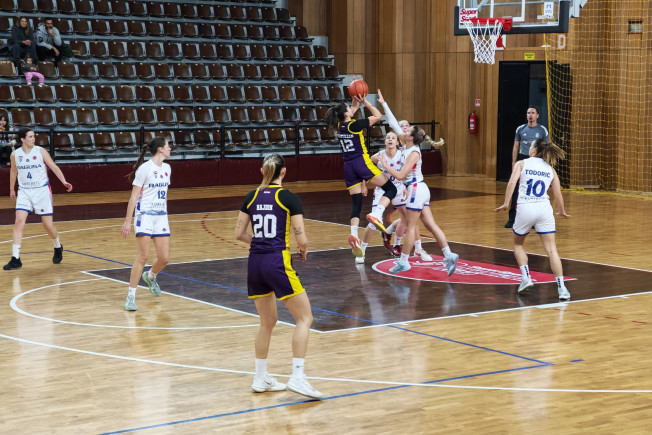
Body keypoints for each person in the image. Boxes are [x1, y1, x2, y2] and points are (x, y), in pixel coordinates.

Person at [235, 154, 323, 399]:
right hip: (277, 261)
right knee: (305, 318)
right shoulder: (289, 198)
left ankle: (260, 377)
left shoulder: (250, 196)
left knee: (267, 322)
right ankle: (298, 377)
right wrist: (303, 249)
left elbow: (239, 233)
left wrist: (260, 243)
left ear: (262, 170)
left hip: (255, 262)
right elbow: (301, 238)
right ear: (283, 172)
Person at [495, 138, 571, 300]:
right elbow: (558, 193)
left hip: (526, 207)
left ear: (534, 150)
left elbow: (512, 183)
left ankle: (526, 278)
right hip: (544, 209)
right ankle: (562, 288)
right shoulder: (550, 169)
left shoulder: (521, 163)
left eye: (530, 146)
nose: (529, 148)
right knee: (552, 250)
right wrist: (561, 211)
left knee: (518, 245)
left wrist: (506, 203)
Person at [325, 93, 398, 259]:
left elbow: (353, 108)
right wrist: (366, 102)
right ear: (346, 113)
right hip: (361, 162)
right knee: (390, 189)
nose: (351, 108)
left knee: (356, 203)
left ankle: (354, 236)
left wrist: (355, 100)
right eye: (348, 108)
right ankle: (377, 213)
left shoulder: (339, 125)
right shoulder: (355, 125)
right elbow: (378, 115)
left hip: (348, 166)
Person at [379, 125, 459, 275]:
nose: (404, 131)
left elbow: (401, 175)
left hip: (416, 189)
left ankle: (403, 262)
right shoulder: (406, 147)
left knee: (410, 227)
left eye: (407, 131)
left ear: (411, 137)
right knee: (430, 225)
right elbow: (394, 123)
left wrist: (385, 166)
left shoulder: (414, 152)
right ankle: (449, 255)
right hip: (419, 189)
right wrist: (384, 108)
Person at [4, 128, 73, 270]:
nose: (33, 139)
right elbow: (13, 171)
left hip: (41, 191)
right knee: (19, 222)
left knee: (47, 225)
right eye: (30, 136)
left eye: (33, 136)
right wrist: (11, 188)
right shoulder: (15, 154)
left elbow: (53, 166)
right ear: (22, 139)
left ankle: (57, 246)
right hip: (24, 191)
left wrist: (64, 181)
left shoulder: (40, 151)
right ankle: (15, 258)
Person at [121, 137, 172, 311]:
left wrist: (165, 213)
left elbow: (164, 194)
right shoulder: (144, 169)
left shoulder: (167, 168)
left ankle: (150, 276)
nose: (170, 149)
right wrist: (128, 221)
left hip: (161, 216)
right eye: (168, 146)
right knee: (143, 256)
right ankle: (130, 296)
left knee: (164, 258)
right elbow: (133, 197)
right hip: (144, 215)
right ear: (160, 149)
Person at [355, 131, 407, 263]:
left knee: (406, 219)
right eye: (388, 138)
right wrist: (363, 184)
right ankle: (362, 251)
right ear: (385, 141)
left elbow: (407, 173)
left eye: (393, 138)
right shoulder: (378, 156)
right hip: (382, 190)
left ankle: (396, 244)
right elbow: (364, 168)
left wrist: (407, 186)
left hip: (399, 188)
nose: (390, 140)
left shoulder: (402, 155)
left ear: (397, 142)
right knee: (374, 222)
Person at [506, 106, 549, 228]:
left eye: (533, 113)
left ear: (537, 115)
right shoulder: (520, 129)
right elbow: (515, 147)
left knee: (535, 191)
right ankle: (512, 219)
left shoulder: (542, 130)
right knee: (517, 190)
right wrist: (514, 164)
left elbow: (546, 149)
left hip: (537, 160)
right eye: (528, 113)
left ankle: (535, 221)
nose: (530, 115)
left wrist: (546, 164)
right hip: (523, 159)